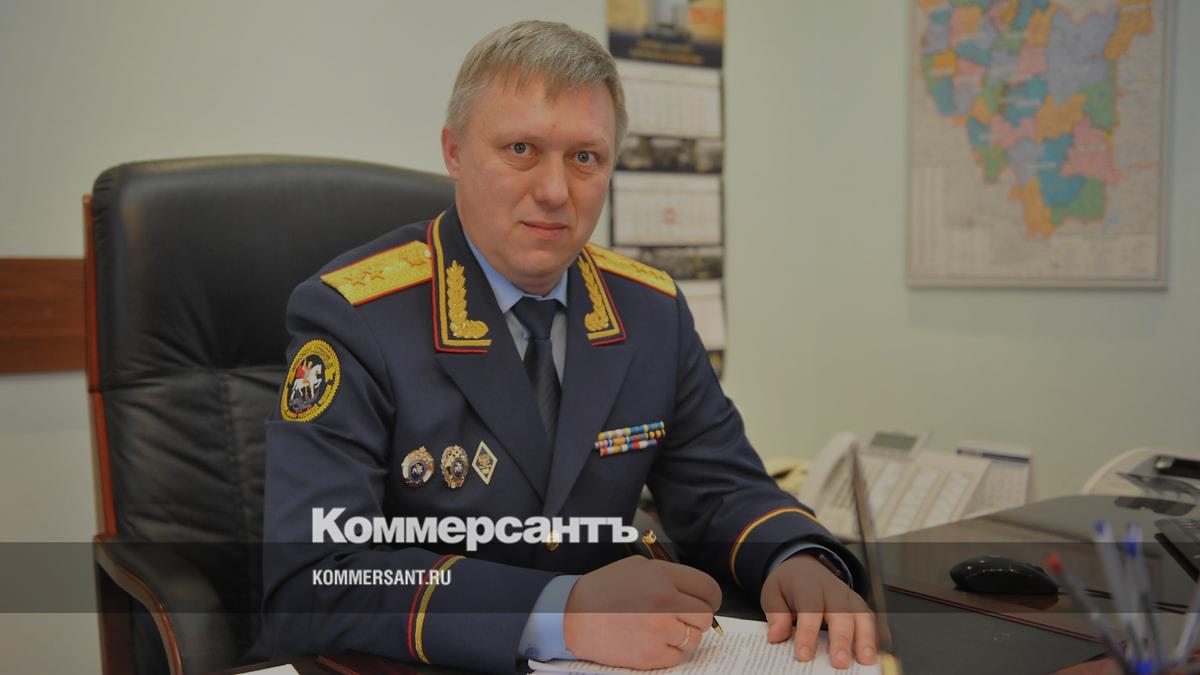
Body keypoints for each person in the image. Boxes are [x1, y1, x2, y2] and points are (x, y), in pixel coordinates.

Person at [262, 20, 876, 674]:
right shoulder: (357, 315)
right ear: (454, 152)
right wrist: (562, 612)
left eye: (585, 157)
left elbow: (723, 486)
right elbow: (313, 577)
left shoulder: (649, 309)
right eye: (521, 149)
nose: (556, 191)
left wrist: (795, 556)